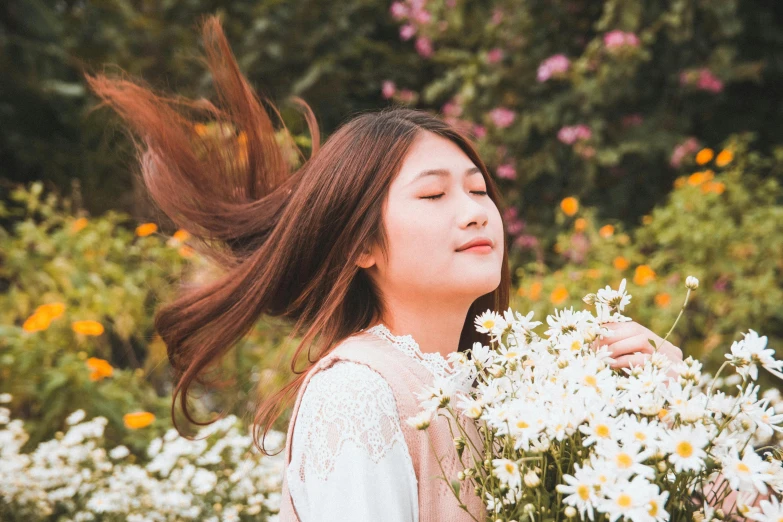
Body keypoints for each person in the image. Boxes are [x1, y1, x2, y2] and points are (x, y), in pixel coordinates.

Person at [83, 14, 765, 522]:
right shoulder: (359, 395)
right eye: (434, 195)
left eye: (478, 190)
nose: (474, 212)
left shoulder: (527, 384)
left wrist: (677, 401)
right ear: (360, 246)